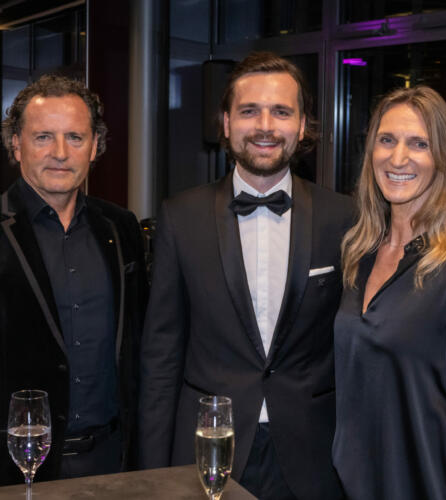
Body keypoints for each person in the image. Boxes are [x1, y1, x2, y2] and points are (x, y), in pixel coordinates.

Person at [139, 51, 353, 500]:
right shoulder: (180, 217)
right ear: (226, 122)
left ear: (302, 125)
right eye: (249, 111)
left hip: (314, 454)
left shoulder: (343, 217)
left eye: (281, 112)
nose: (265, 126)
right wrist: (153, 475)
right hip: (209, 448)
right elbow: (162, 355)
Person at [332, 85, 446, 499]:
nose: (398, 158)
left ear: (444, 159)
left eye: (419, 144)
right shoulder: (358, 256)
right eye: (387, 140)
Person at [0, 75, 148, 484]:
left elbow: (141, 344)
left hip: (115, 463)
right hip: (16, 468)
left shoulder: (121, 227)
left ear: (95, 146)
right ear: (16, 144)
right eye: (43, 137)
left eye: (75, 137)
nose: (60, 153)